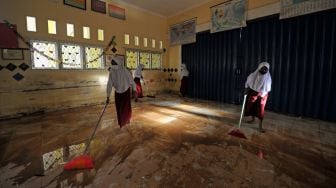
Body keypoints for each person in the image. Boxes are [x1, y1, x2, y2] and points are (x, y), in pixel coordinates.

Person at [106, 56, 136, 128]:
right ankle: (121, 122)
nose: (113, 65)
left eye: (114, 63)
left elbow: (132, 82)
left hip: (126, 91)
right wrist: (108, 96)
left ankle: (127, 119)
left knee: (125, 108)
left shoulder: (125, 71)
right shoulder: (112, 71)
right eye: (112, 63)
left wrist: (134, 90)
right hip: (117, 92)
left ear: (119, 63)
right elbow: (109, 84)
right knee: (119, 108)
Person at [244, 62, 272, 133]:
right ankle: (253, 120)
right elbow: (247, 82)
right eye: (263, 68)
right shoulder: (253, 75)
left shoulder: (268, 78)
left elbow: (267, 88)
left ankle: (260, 126)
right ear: (259, 68)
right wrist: (246, 89)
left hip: (263, 95)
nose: (264, 71)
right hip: (253, 93)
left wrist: (262, 95)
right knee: (251, 106)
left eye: (266, 69)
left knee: (260, 110)